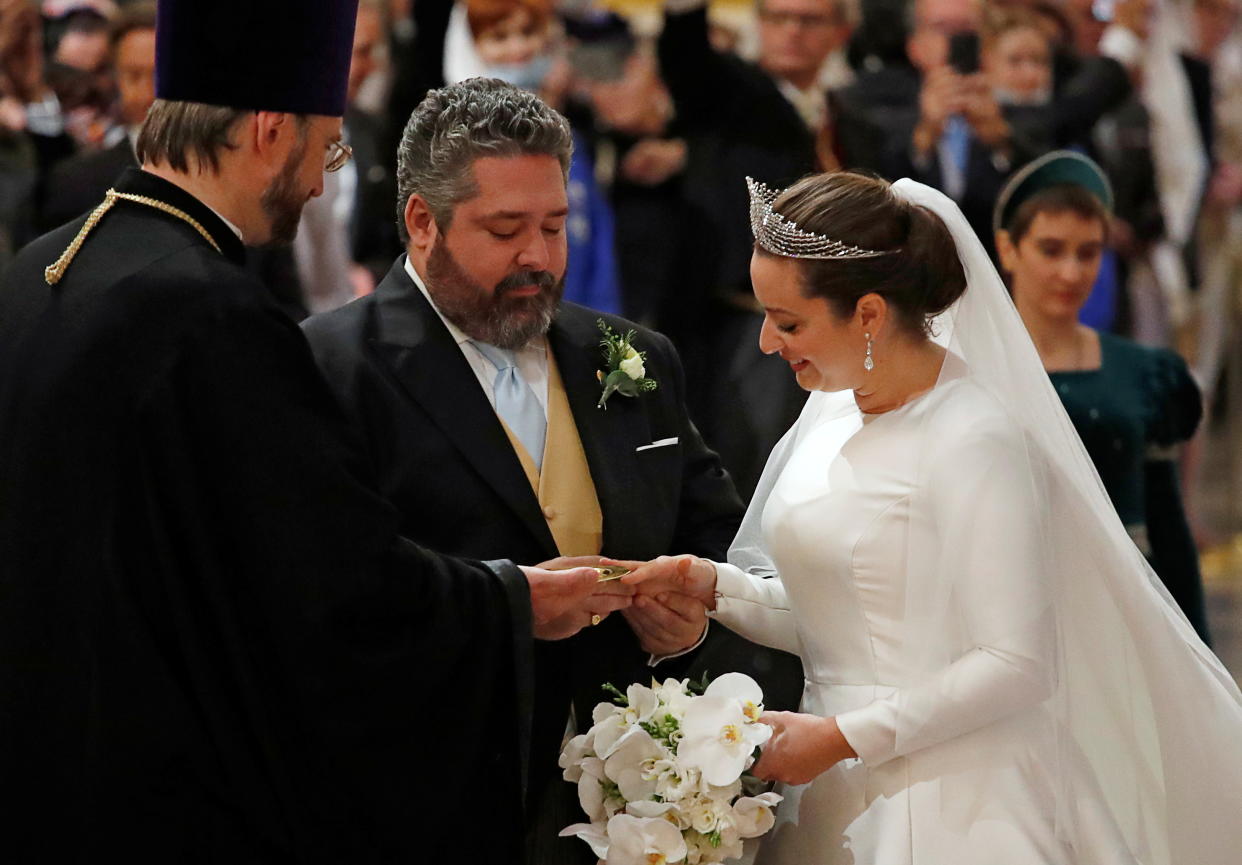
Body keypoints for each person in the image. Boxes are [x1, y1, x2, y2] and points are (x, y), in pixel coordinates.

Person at [0, 2, 630, 861]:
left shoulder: (42, 264)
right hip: (158, 792)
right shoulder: (211, 313)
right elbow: (332, 587)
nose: (319, 180)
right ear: (268, 129)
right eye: (324, 147)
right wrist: (511, 598)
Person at [617, 170, 1242, 863]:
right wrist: (714, 586)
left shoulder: (975, 436)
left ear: (870, 315)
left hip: (952, 798)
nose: (766, 341)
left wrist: (843, 736)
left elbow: (1017, 663)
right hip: (831, 780)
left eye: (788, 321)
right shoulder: (830, 404)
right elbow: (847, 619)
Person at [300, 77, 803, 864]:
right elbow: (326, 600)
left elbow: (724, 545)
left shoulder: (632, 357)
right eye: (506, 229)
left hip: (624, 821)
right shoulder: (329, 368)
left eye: (556, 225)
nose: (538, 256)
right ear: (421, 222)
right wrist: (506, 608)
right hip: (421, 805)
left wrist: (691, 626)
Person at [994, 150, 1211, 642]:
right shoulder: (974, 372)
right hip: (1012, 620)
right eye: (1051, 250)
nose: (1071, 273)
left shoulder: (1142, 372)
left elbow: (1167, 524)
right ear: (1008, 250)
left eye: (1088, 252)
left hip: (1125, 618)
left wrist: (1199, 653)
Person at [39, 1, 155, 231]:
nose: (147, 93)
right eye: (133, 75)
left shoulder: (217, 173)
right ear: (114, 79)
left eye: (157, 75)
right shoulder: (75, 182)